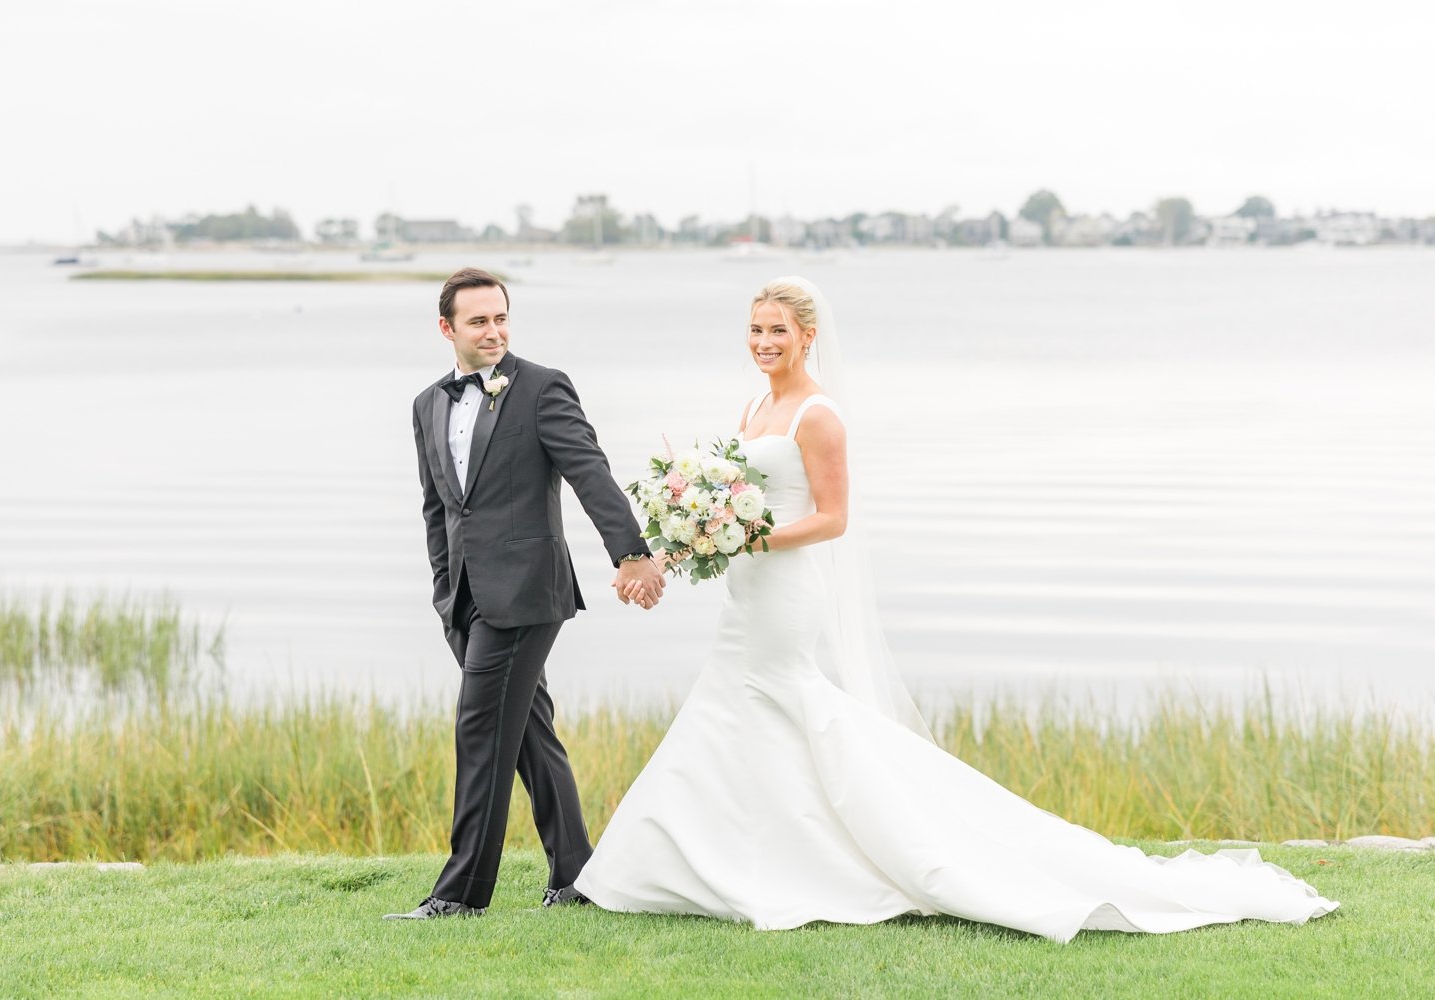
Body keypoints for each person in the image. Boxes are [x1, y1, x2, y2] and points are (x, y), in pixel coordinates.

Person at [575, 276, 1337, 941]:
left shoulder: (819, 415)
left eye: (778, 330)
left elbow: (833, 518)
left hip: (784, 588)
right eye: (755, 328)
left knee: (775, 701)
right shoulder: (753, 406)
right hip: (748, 587)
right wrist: (689, 539)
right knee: (739, 709)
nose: (764, 341)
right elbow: (731, 504)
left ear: (808, 336)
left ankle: (811, 859)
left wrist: (751, 535)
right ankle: (719, 861)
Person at [385, 267, 665, 920]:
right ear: (446, 328)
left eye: (501, 317)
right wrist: (441, 593)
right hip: (464, 600)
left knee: (480, 733)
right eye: (478, 320)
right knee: (530, 733)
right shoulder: (428, 404)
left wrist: (630, 553)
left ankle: (459, 896)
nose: (493, 330)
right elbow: (438, 510)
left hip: (526, 594)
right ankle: (576, 873)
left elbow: (588, 470)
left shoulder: (540, 388)